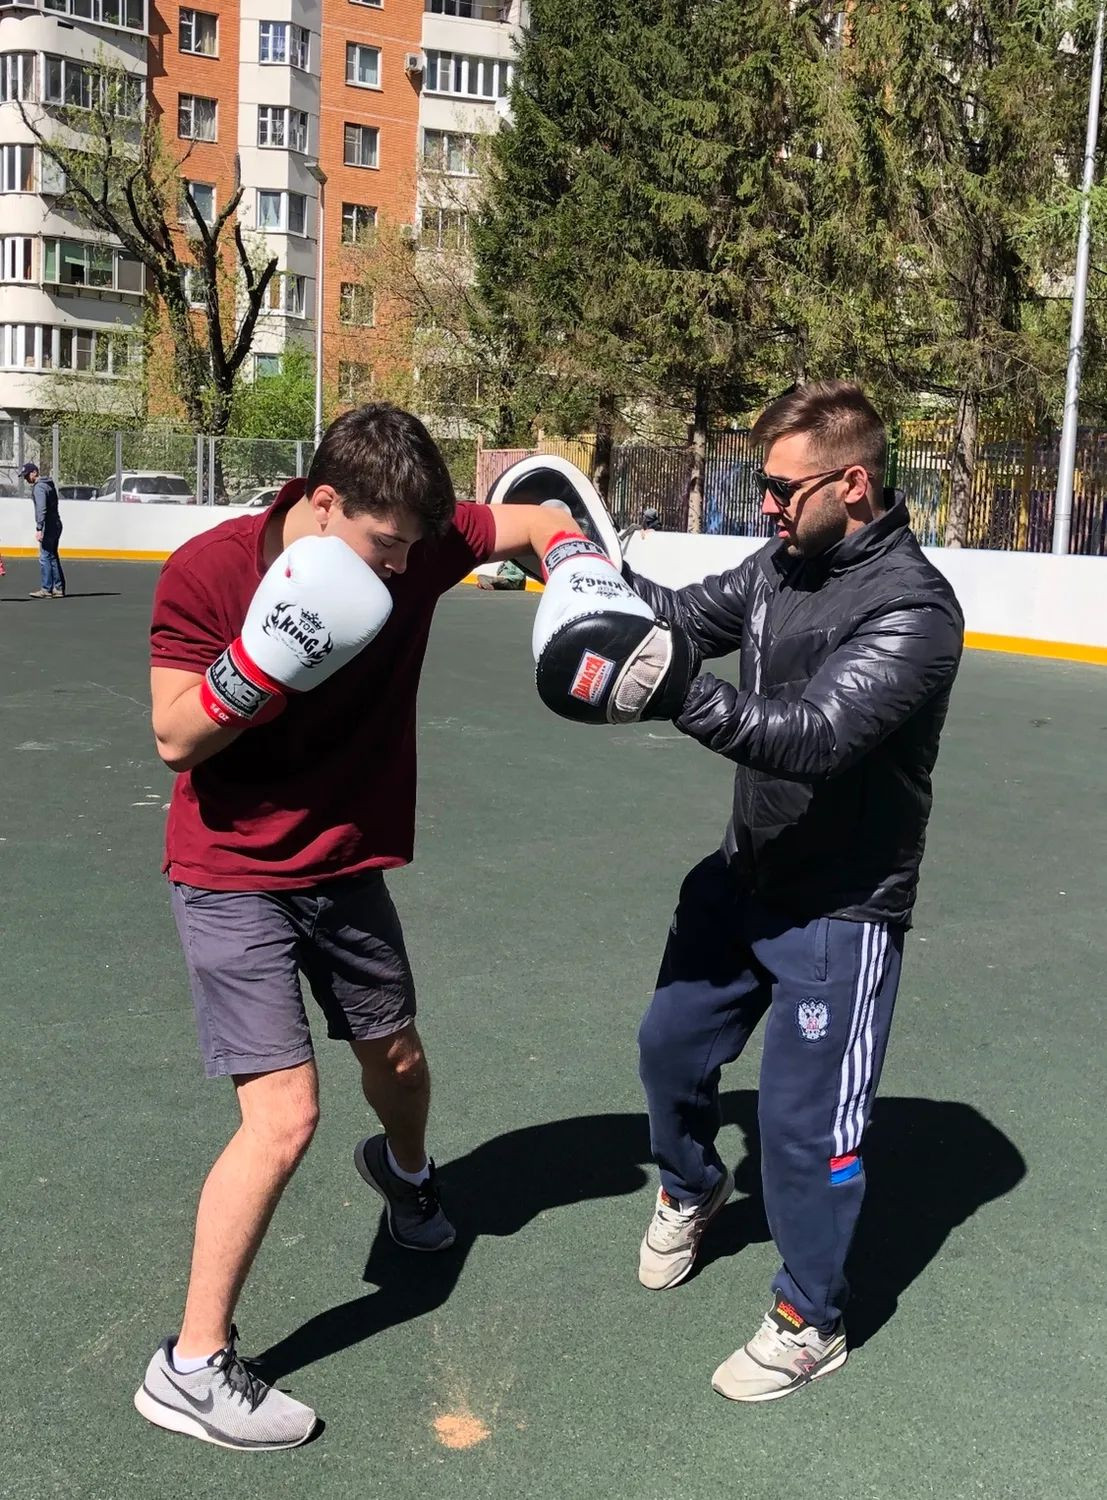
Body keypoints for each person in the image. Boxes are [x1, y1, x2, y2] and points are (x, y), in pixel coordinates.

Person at [136, 403, 591, 1451]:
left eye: (414, 549)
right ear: (323, 501)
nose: (399, 569)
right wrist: (262, 664)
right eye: (383, 546)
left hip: (343, 867)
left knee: (397, 1055)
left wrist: (573, 558)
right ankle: (192, 1365)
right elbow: (171, 737)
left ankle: (408, 1175)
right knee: (285, 1114)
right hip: (232, 869)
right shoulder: (210, 574)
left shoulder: (419, 545)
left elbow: (521, 521)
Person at [530, 381, 964, 1402]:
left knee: (807, 1133)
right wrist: (591, 580)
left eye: (779, 488)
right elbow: (678, 618)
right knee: (667, 1047)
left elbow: (811, 739)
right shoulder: (781, 563)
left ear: (852, 483)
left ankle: (813, 1317)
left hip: (841, 911)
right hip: (744, 876)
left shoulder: (913, 609)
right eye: (757, 485)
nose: (762, 506)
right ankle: (692, 1185)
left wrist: (671, 687)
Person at [21, 461, 66, 598]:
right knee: (52, 555)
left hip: (48, 525)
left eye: (27, 475)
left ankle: (46, 588)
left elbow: (41, 508)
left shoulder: (39, 487)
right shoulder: (49, 484)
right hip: (56, 523)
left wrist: (39, 528)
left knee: (45, 556)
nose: (26, 479)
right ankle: (58, 588)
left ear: (34, 472)